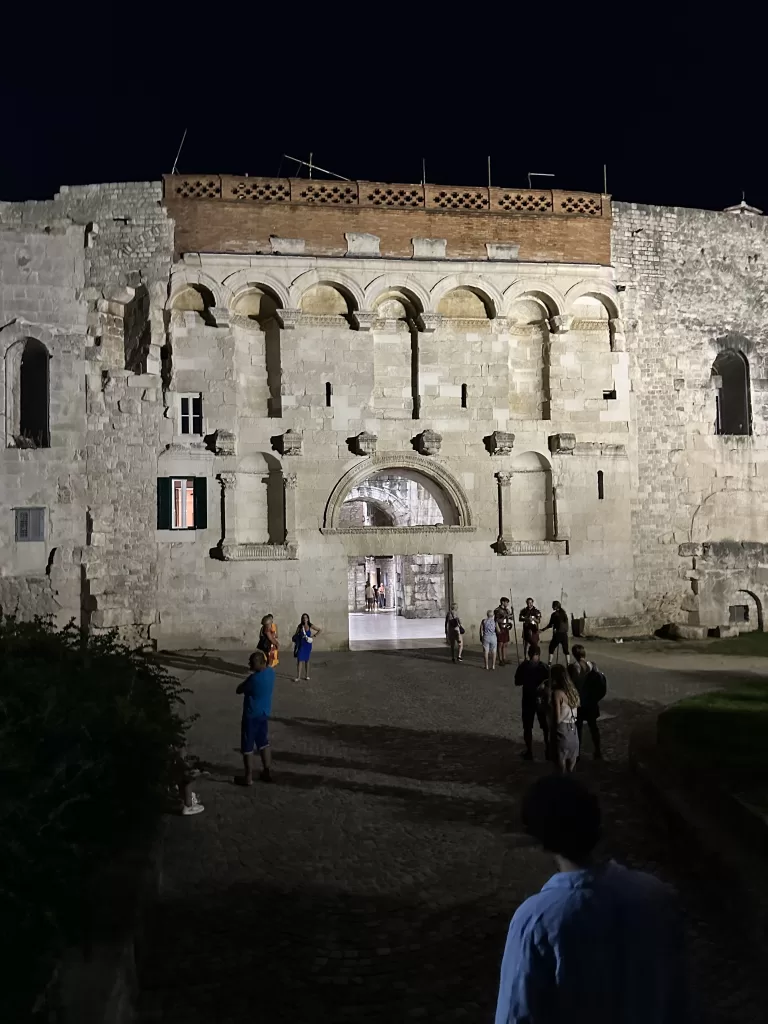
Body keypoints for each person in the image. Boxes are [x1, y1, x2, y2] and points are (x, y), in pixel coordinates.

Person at [495, 776, 689, 1024]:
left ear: (539, 839)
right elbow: (680, 998)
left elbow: (517, 1013)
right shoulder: (658, 897)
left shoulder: (536, 920)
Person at [236, 650, 276, 784]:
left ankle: (248, 777)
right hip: (264, 713)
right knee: (264, 743)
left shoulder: (254, 679)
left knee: (247, 747)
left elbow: (239, 689)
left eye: (252, 663)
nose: (250, 665)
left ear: (259, 663)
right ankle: (267, 771)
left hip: (251, 715)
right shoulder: (271, 673)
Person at [569, 644, 605, 760]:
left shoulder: (574, 667)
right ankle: (598, 750)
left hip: (580, 702)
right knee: (593, 727)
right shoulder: (592, 665)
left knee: (578, 728)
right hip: (591, 701)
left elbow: (571, 685)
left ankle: (578, 752)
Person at [514, 644, 550, 760]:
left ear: (529, 654)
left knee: (528, 727)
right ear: (538, 655)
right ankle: (548, 749)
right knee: (545, 726)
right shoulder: (544, 667)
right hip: (541, 700)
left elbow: (517, 682)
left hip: (528, 699)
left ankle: (529, 750)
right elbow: (551, 682)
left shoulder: (524, 666)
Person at [549, 663, 579, 774]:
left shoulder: (557, 694)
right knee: (571, 770)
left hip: (562, 732)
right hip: (574, 732)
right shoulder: (573, 692)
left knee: (560, 771)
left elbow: (557, 718)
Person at [293, 612, 321, 682]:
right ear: (302, 619)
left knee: (307, 660)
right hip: (301, 645)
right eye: (303, 618)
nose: (305, 619)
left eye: (306, 617)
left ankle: (307, 675)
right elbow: (295, 635)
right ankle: (298, 677)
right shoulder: (300, 627)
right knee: (299, 660)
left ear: (308, 619)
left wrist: (314, 636)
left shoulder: (310, 625)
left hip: (307, 645)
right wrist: (298, 637)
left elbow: (320, 630)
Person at [541, 600, 570, 665]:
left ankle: (549, 663)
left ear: (556, 606)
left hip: (558, 634)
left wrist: (543, 629)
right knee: (566, 650)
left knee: (551, 648)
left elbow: (552, 624)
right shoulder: (563, 613)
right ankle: (568, 664)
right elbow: (552, 624)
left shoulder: (556, 615)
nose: (552, 607)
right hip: (564, 634)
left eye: (553, 606)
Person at [494, 597, 513, 666]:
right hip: (500, 627)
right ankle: (500, 660)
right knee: (500, 644)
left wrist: (511, 614)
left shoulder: (507, 610)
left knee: (505, 644)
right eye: (506, 602)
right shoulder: (497, 610)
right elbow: (497, 620)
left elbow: (511, 618)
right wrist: (505, 616)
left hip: (506, 628)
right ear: (502, 602)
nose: (507, 604)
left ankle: (504, 658)